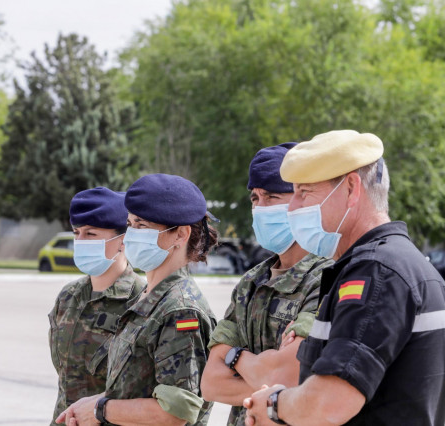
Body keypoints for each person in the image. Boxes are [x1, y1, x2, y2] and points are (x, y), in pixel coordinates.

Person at [244, 130, 445, 426]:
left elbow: (330, 403)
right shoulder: (410, 266)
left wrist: (274, 404)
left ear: (351, 188)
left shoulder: (376, 273)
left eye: (304, 192)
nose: (292, 207)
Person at [57, 174, 218, 426]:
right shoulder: (150, 297)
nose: (131, 235)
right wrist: (92, 403)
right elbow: (134, 387)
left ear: (180, 235)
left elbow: (175, 412)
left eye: (142, 226)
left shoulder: (180, 310)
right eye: (130, 224)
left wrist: (100, 409)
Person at [201, 143, 333, 426]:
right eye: (254, 198)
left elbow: (287, 372)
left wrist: (234, 356)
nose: (260, 208)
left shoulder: (327, 278)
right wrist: (277, 386)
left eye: (272, 197)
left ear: (303, 200)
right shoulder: (251, 282)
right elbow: (211, 383)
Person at [49, 187, 146, 425]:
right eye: (76, 233)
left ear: (123, 240)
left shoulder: (141, 301)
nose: (80, 242)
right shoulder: (68, 297)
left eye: (91, 234)